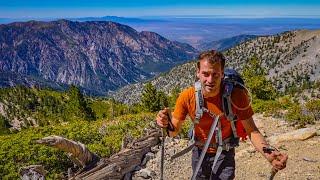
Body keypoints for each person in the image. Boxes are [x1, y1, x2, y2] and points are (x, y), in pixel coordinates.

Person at [156, 50, 288, 179]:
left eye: (215, 74)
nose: (210, 80)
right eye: (205, 74)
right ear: (198, 73)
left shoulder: (236, 95)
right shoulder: (187, 97)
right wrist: (165, 123)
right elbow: (173, 132)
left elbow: (251, 130)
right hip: (199, 152)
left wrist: (268, 154)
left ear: (222, 74)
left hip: (225, 153)